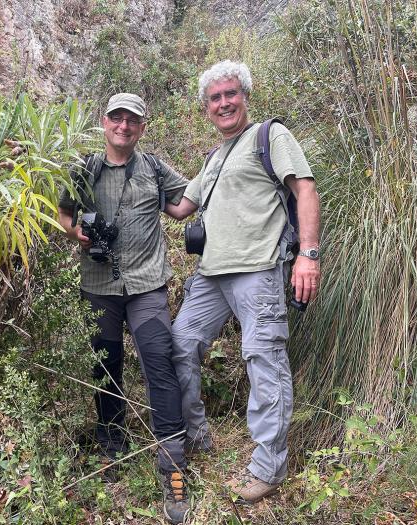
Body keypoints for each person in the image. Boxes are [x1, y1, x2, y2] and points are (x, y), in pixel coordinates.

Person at [164, 60, 321, 503]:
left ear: (245, 96)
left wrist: (308, 255)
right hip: (210, 276)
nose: (224, 103)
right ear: (205, 108)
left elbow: (305, 189)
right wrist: (138, 173)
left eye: (231, 93)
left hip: (258, 269)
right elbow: (181, 207)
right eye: (215, 98)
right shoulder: (214, 158)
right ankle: (196, 435)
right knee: (180, 343)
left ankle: (269, 469)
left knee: (263, 359)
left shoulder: (269, 136)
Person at [58, 93, 191, 524]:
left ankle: (172, 461)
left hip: (148, 286)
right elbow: (62, 213)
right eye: (116, 117)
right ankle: (112, 444)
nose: (124, 126)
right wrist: (76, 230)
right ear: (104, 122)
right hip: (99, 287)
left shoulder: (153, 167)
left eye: (132, 120)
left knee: (160, 362)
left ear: (141, 127)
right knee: (106, 366)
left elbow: (183, 203)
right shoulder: (85, 169)